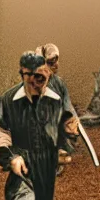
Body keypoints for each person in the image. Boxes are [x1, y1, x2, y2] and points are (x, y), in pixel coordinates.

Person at [0, 52, 80, 200]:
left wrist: (66, 142)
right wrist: (11, 158)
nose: (36, 83)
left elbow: (67, 125)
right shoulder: (8, 99)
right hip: (22, 160)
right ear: (22, 74)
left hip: (46, 163)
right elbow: (2, 132)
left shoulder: (55, 99)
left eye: (41, 78)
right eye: (30, 77)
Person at [35, 43, 75, 176]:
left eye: (56, 61)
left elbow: (67, 103)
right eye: (51, 62)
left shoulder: (59, 83)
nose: (56, 65)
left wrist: (71, 120)